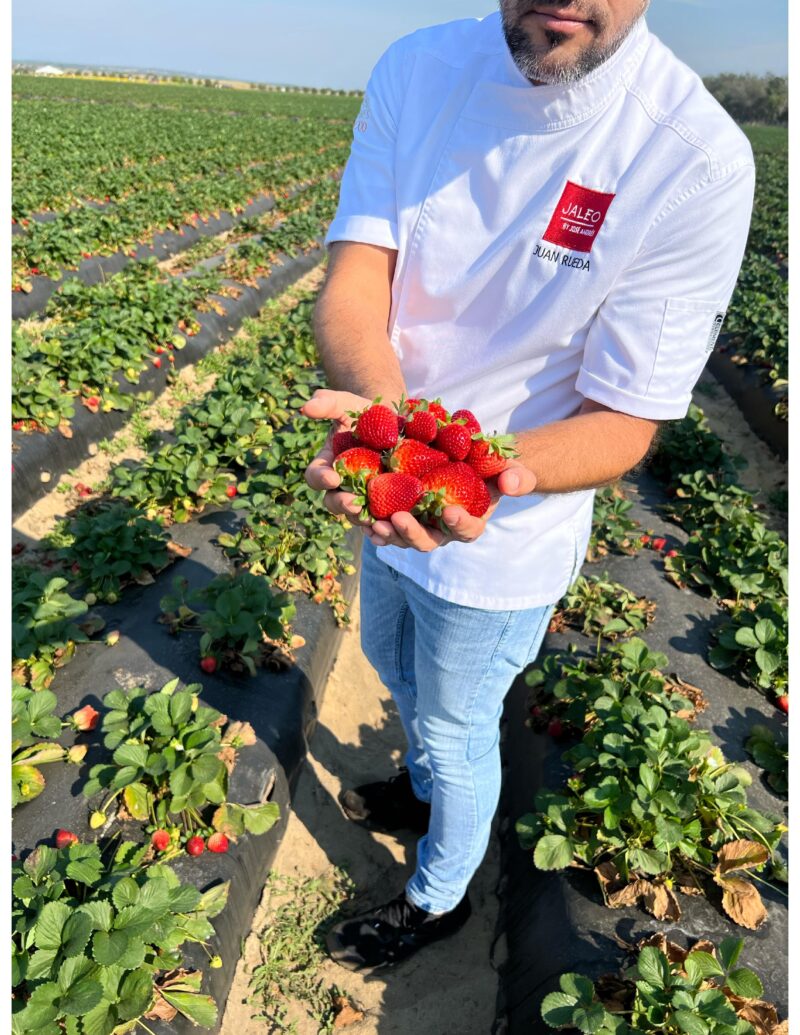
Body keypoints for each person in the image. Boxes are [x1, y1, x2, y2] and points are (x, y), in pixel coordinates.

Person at [301, 0, 754, 971]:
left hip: (505, 534)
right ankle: (425, 787)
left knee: (455, 718)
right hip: (403, 491)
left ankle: (436, 896)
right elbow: (356, 278)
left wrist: (483, 472)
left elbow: (625, 419)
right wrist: (389, 431)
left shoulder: (692, 157)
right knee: (387, 656)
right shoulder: (418, 69)